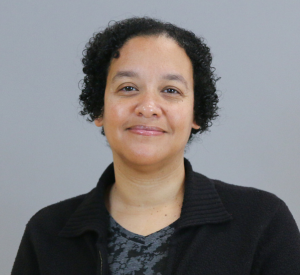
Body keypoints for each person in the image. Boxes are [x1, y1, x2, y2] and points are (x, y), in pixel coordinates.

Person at [12, 17, 300, 275]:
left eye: (170, 91)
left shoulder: (262, 222)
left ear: (196, 114)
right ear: (99, 109)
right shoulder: (48, 231)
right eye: (128, 88)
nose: (148, 107)